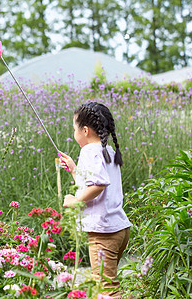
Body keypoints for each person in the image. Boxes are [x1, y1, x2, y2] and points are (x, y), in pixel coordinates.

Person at [59, 102, 131, 298]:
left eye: (74, 128)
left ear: (84, 130)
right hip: (120, 229)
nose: (73, 132)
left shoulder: (90, 151)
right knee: (108, 283)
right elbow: (94, 183)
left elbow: (98, 185)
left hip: (104, 232)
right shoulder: (108, 151)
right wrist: (75, 170)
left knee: (107, 290)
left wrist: (75, 201)